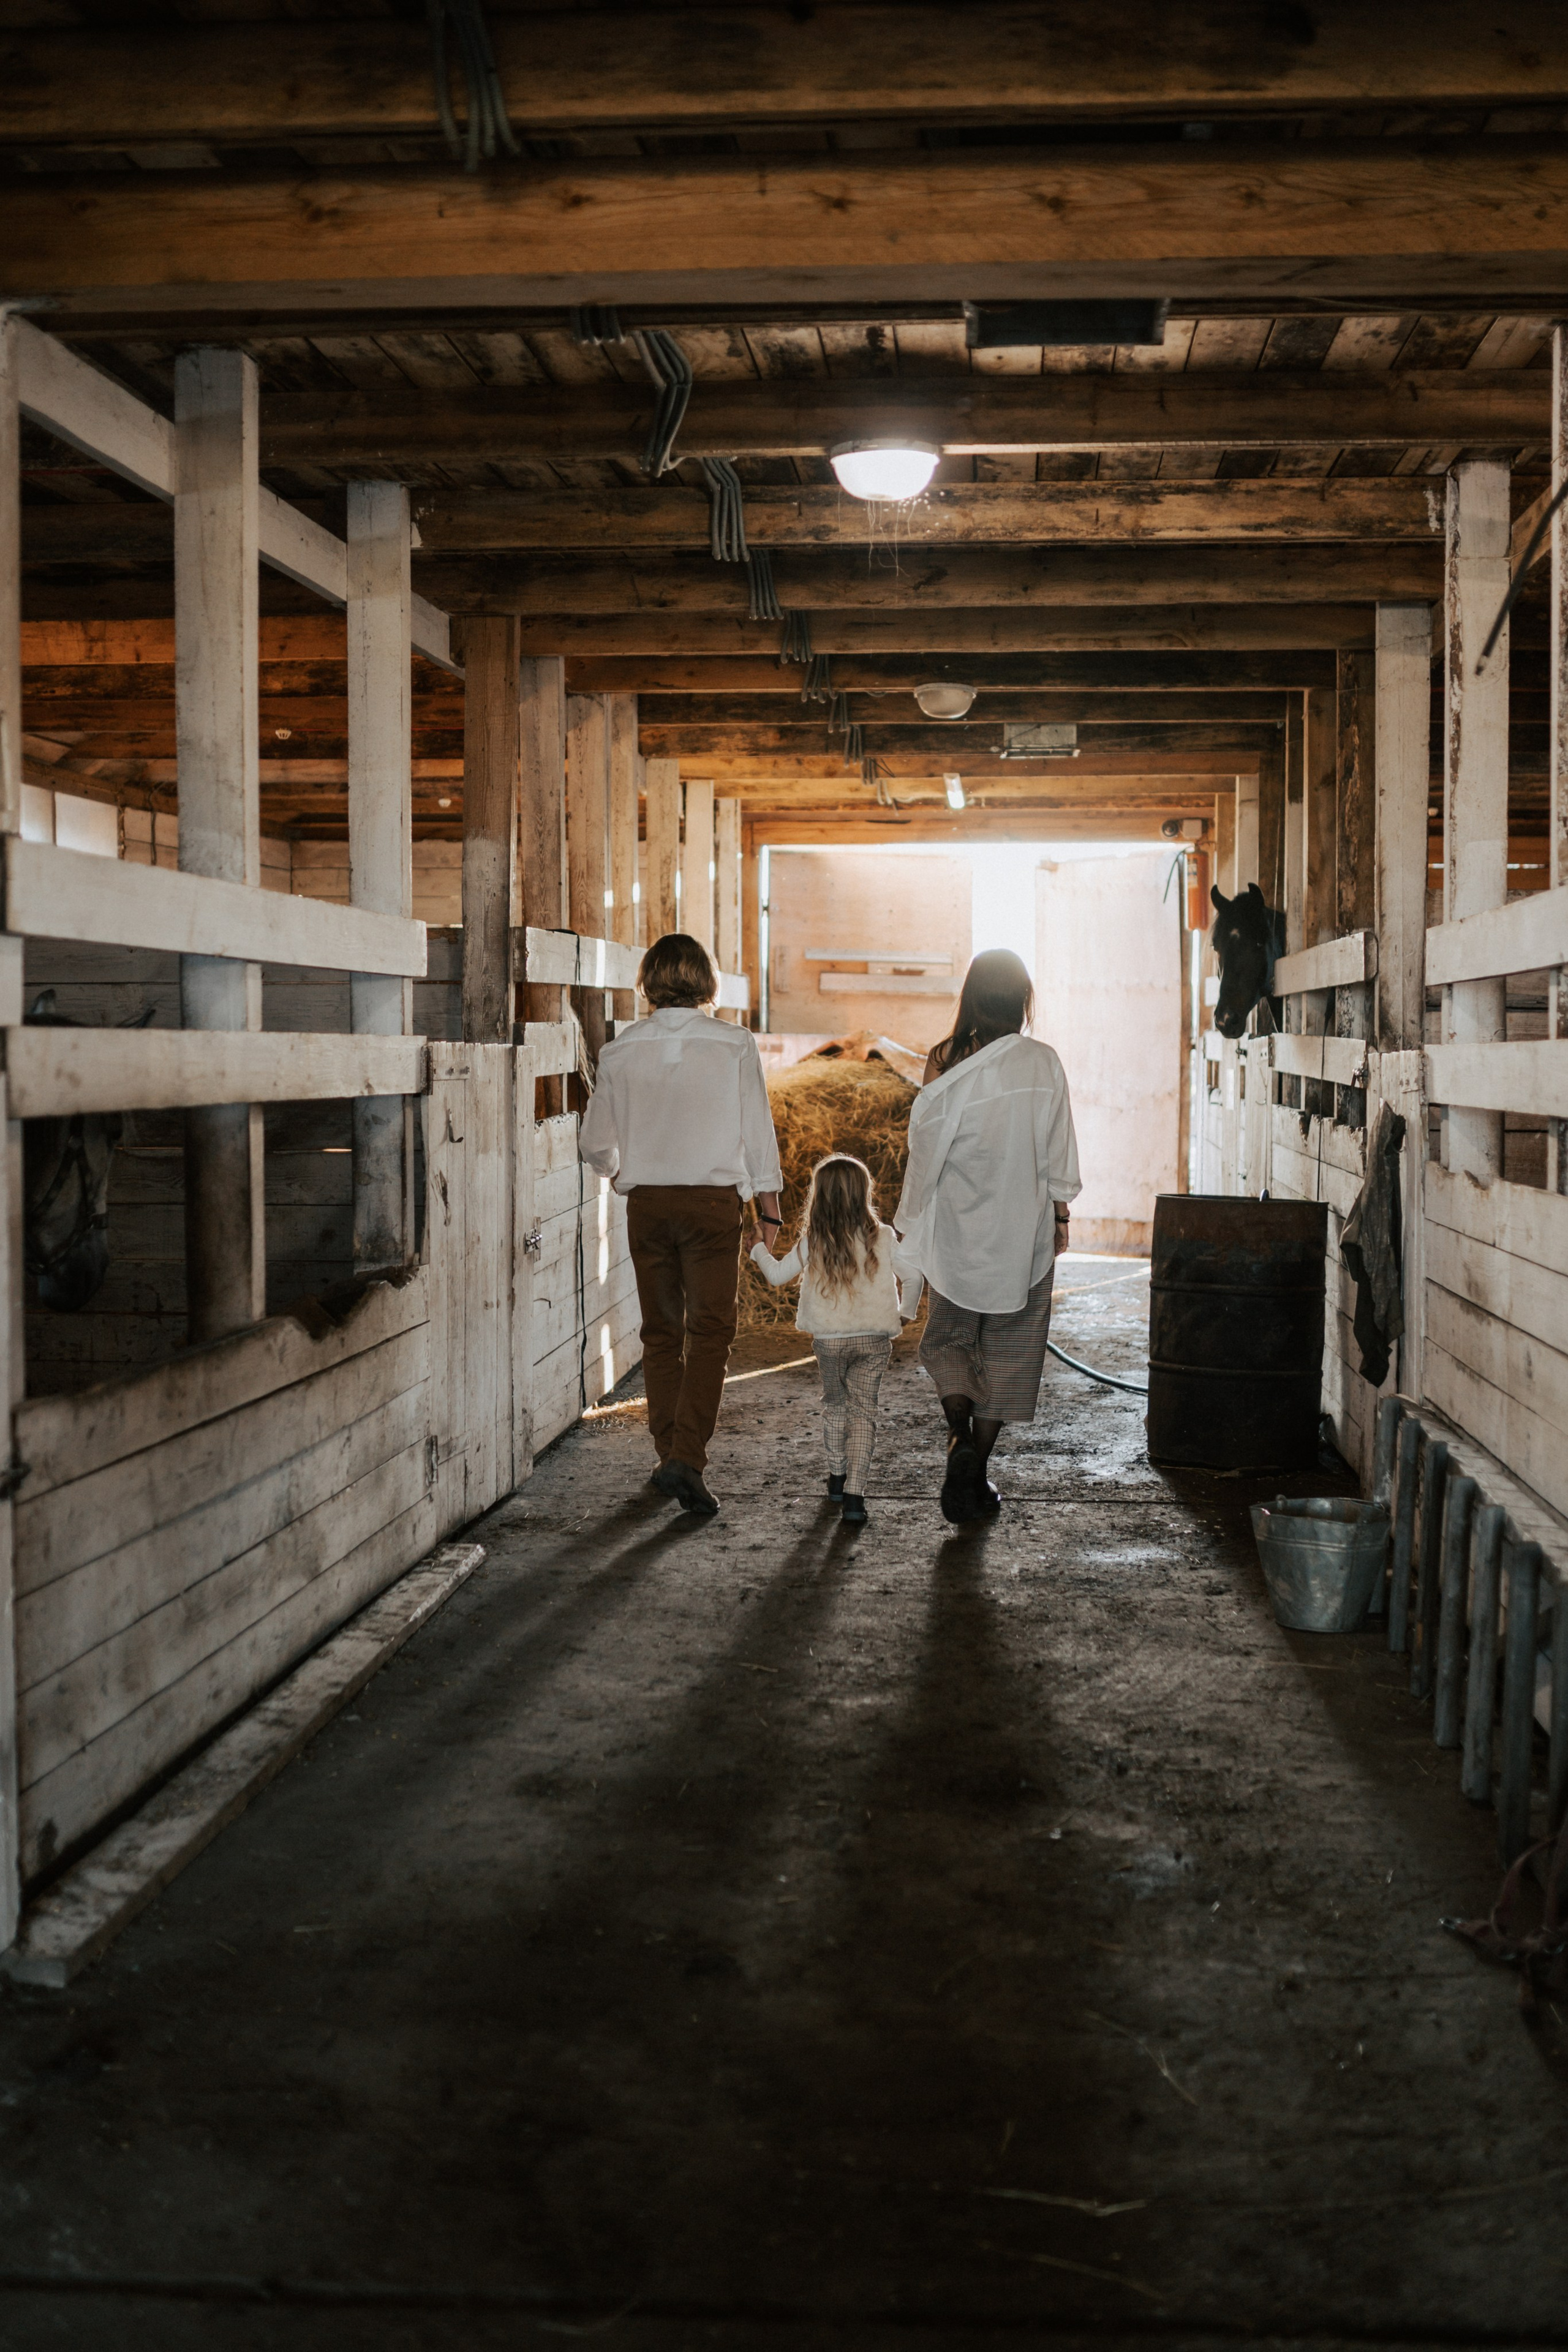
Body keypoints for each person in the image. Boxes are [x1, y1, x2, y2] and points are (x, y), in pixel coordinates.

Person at [579, 932, 782, 1518]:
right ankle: (687, 1458)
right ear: (706, 981)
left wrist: (624, 1173)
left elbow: (595, 1146)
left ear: (648, 982)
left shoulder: (620, 1050)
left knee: (661, 1334)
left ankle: (669, 1452)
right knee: (711, 1331)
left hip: (648, 1205)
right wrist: (768, 1210)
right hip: (712, 1206)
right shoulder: (734, 1044)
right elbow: (759, 1133)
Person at [894, 949, 1080, 1525]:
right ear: (1022, 1000)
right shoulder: (1043, 1062)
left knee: (949, 1339)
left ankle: (957, 1439)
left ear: (971, 998)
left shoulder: (945, 1060)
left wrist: (912, 1217)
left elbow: (924, 1148)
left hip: (957, 1231)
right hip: (1021, 1231)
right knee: (1012, 1350)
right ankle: (978, 1467)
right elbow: (1058, 1154)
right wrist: (1061, 1216)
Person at [749, 1153, 916, 1528]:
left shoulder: (814, 1241)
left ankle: (838, 1478)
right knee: (865, 1412)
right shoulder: (884, 1237)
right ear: (865, 1192)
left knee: (836, 1405)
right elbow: (915, 1277)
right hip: (874, 1338)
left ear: (819, 1196)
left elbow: (776, 1276)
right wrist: (905, 1314)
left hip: (829, 1341)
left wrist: (757, 1247)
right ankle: (855, 1496)